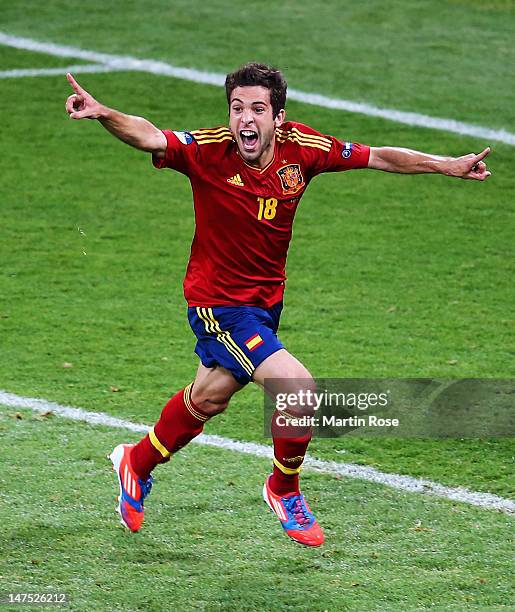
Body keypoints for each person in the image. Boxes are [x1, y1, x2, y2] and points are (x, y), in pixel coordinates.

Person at [65, 63, 490, 547]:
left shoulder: (302, 150)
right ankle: (283, 488)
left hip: (265, 304)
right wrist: (103, 113)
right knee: (298, 391)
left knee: (208, 397)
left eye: (258, 109)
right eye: (237, 108)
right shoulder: (208, 150)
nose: (246, 119)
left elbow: (380, 157)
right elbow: (149, 137)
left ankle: (135, 463)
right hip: (217, 304)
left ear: (279, 118)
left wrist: (446, 165)